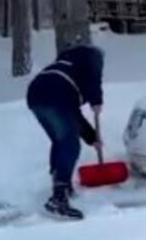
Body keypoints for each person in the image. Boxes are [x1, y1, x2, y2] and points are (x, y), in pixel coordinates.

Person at [26, 44, 104, 220]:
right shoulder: (92, 57)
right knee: (69, 143)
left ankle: (61, 185)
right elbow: (94, 79)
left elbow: (73, 115)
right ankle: (58, 197)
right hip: (55, 96)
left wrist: (92, 138)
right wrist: (96, 100)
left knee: (60, 140)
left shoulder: (67, 64)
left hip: (35, 93)